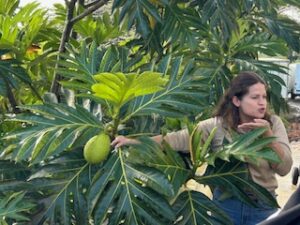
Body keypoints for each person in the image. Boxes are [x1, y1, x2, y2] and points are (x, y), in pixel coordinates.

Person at [111, 71, 293, 225]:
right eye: (255, 97)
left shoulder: (273, 124)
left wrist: (268, 137)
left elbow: (285, 169)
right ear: (237, 101)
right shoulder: (217, 126)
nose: (262, 103)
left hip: (262, 206)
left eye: (264, 97)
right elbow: (175, 139)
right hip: (227, 206)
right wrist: (133, 141)